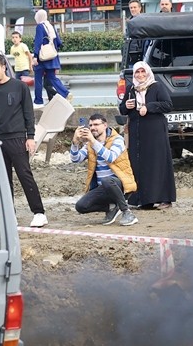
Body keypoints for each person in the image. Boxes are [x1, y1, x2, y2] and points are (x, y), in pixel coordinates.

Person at [0, 54, 47, 227]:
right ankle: (9, 213)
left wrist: (30, 137)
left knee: (24, 174)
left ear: (4, 67)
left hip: (17, 137)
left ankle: (39, 212)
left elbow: (28, 113)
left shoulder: (19, 86)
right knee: (4, 178)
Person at [121, 62, 176, 209]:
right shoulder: (131, 88)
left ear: (148, 72)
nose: (140, 75)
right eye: (137, 72)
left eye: (142, 72)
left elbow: (168, 105)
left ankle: (165, 198)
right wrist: (126, 106)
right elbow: (122, 110)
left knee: (157, 162)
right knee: (139, 164)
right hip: (137, 133)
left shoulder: (156, 87)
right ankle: (144, 200)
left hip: (155, 132)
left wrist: (149, 107)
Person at [69, 113, 137, 226]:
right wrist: (75, 142)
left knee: (107, 180)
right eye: (90, 125)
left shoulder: (117, 140)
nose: (92, 128)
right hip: (102, 187)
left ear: (105, 125)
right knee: (80, 206)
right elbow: (75, 159)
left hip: (121, 185)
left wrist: (93, 141)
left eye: (96, 124)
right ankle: (112, 207)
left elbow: (110, 157)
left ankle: (127, 212)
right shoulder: (90, 144)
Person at [31, 9, 68, 107]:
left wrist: (35, 56)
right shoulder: (50, 26)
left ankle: (38, 101)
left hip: (41, 58)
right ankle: (66, 93)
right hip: (52, 58)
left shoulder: (40, 26)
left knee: (38, 79)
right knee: (52, 78)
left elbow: (38, 42)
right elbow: (59, 42)